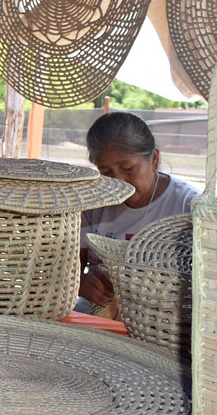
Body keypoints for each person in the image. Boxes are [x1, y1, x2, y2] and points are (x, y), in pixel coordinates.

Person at [77, 112, 201, 311]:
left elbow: (204, 283)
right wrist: (82, 283)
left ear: (154, 160)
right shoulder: (93, 202)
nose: (119, 181)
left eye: (127, 168)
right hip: (99, 314)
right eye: (106, 173)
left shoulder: (187, 206)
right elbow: (67, 269)